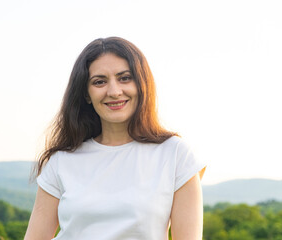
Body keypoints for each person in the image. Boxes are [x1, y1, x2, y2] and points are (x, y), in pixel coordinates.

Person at [24, 37, 206, 240]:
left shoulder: (175, 155)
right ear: (86, 94)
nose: (114, 91)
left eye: (125, 78)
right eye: (99, 82)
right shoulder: (62, 161)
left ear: (142, 83)